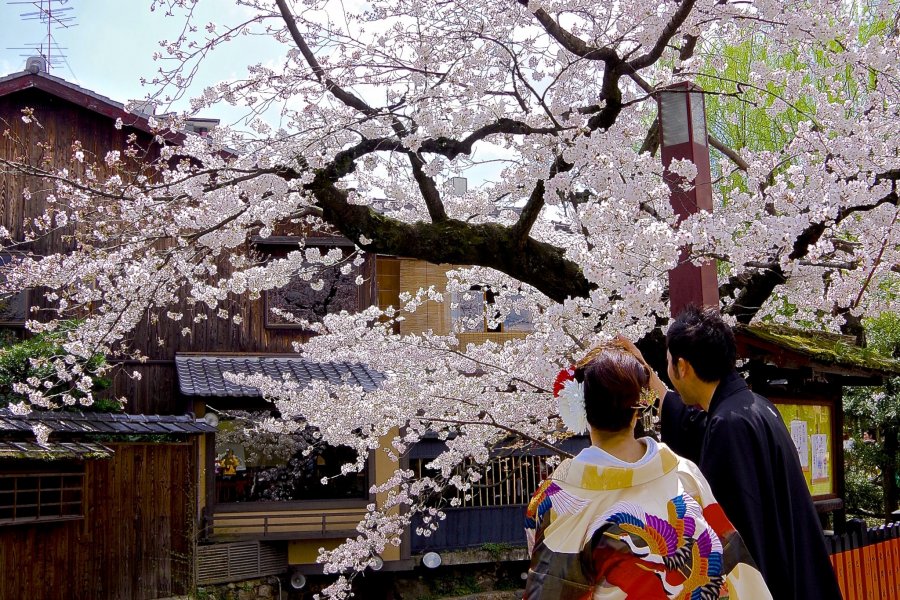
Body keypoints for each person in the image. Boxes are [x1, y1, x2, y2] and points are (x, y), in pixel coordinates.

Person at [618, 306, 842, 600]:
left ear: (682, 367)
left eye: (670, 364)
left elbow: (735, 535)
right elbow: (698, 428)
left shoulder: (728, 425)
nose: (670, 372)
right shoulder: (754, 407)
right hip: (801, 578)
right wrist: (653, 381)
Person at [524, 344, 771, 599]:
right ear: (637, 413)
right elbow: (734, 565)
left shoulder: (556, 499)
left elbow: (550, 585)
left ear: (583, 412)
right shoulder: (684, 473)